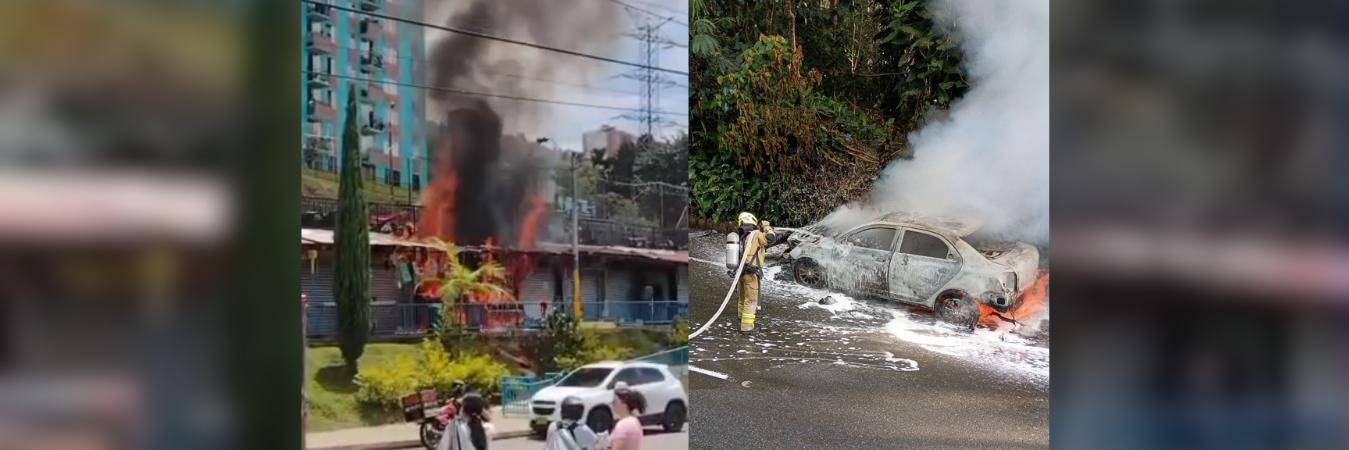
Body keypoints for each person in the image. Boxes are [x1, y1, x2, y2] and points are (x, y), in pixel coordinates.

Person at [731, 212, 776, 332]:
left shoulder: (740, 236)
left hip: (740, 273)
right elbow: (770, 239)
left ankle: (740, 319)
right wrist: (767, 227)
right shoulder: (756, 234)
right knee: (750, 300)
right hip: (751, 273)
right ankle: (747, 328)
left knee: (742, 298)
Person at [609, 384, 647, 450]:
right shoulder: (635, 421)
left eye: (614, 401)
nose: (612, 404)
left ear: (623, 403)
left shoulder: (623, 424)